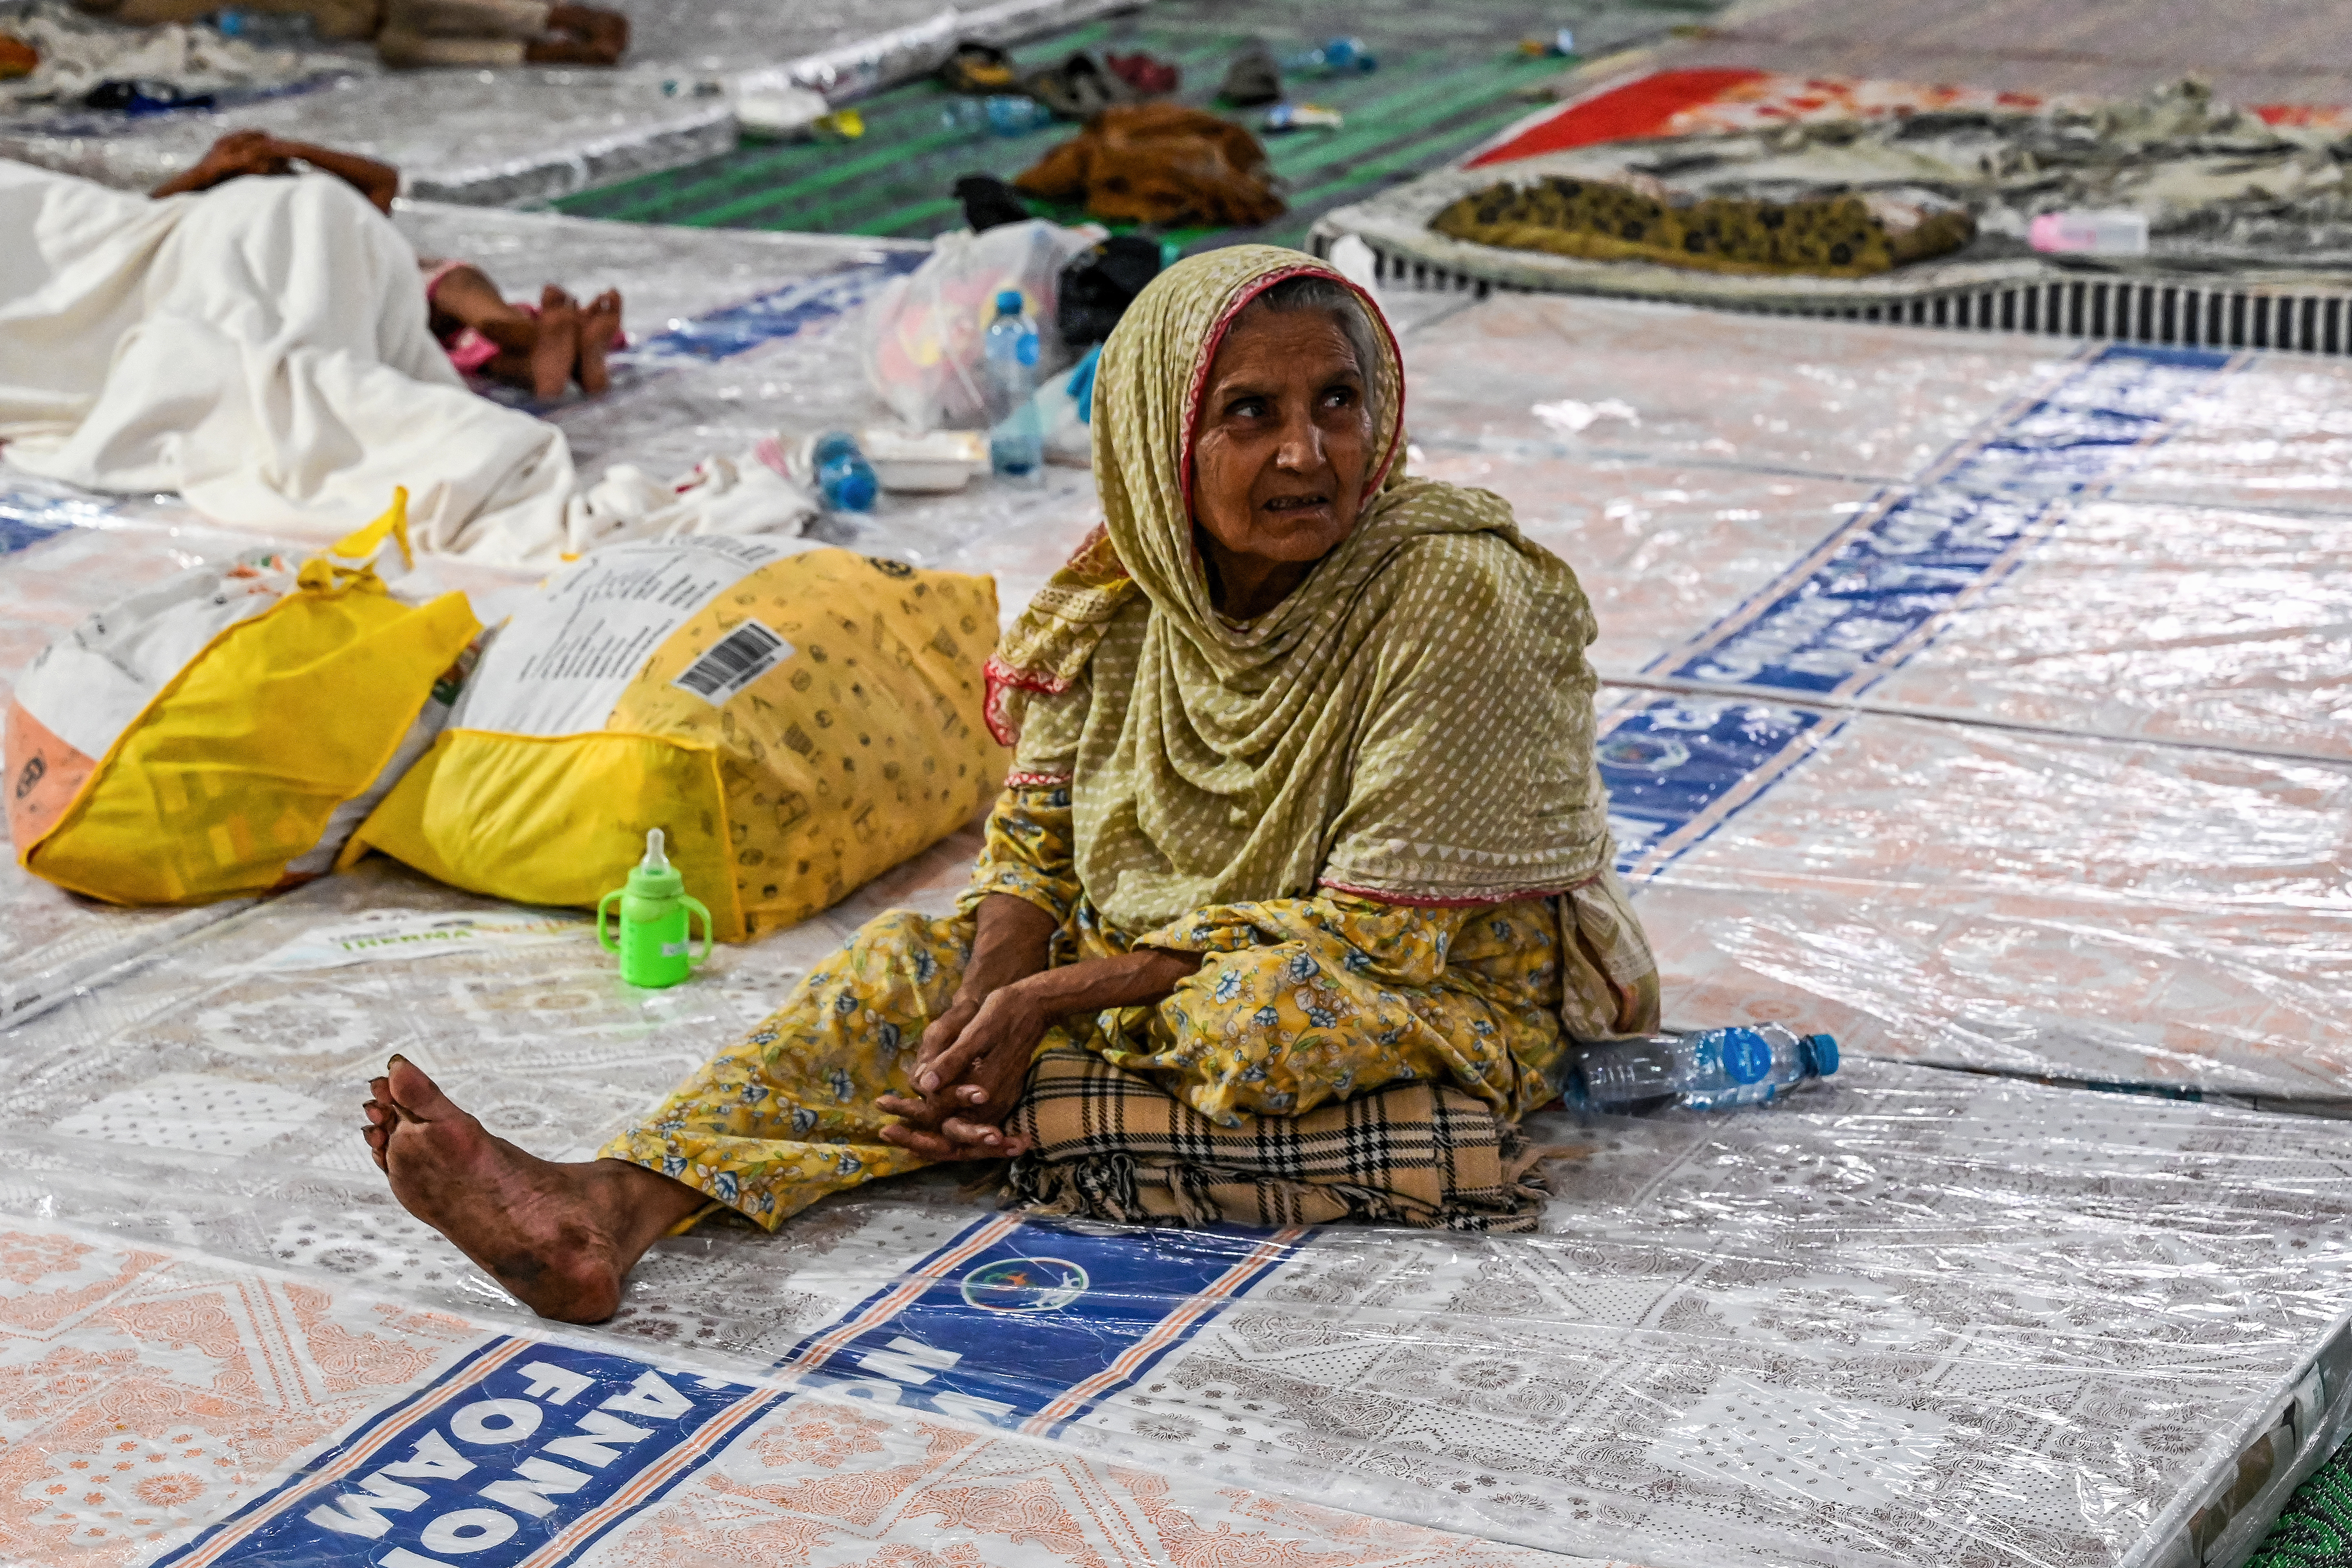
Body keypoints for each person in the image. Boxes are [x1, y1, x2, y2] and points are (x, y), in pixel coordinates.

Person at [362, 245, 1659, 1324]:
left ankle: (1027, 1104)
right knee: (899, 977)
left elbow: (1388, 930)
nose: (1305, 454)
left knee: (1255, 1022)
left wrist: (1047, 998)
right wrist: (990, 986)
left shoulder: (1455, 590)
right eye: (1248, 414)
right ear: (1160, 435)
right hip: (1162, 948)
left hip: (1424, 981)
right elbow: (1035, 840)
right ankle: (610, 1205)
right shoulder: (1122, 589)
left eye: (1337, 403)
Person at [152, 131, 621, 398]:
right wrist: (207, 172)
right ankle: (566, 350)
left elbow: (383, 180)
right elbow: (139, 225)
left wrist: (288, 151)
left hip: (408, 292)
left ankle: (548, 353)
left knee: (474, 323)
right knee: (477, 331)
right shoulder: (240, 232)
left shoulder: (325, 213)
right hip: (397, 303)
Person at [73, 0, 628, 69]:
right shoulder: (150, 10)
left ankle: (568, 19)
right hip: (355, 25)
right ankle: (548, 54)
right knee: (403, 49)